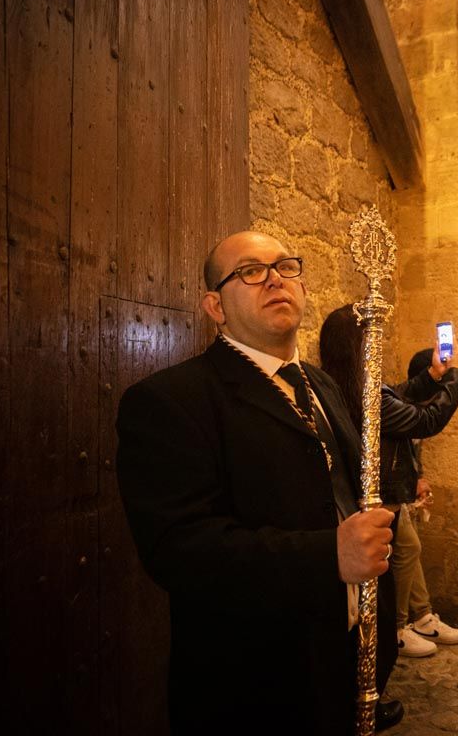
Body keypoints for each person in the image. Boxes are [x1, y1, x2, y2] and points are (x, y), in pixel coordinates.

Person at [116, 231, 402, 734]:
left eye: (286, 266)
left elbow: (336, 489)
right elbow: (178, 550)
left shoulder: (321, 383)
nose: (274, 278)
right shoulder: (170, 401)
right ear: (215, 306)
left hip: (344, 658)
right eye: (250, 271)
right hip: (255, 685)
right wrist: (328, 555)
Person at [319, 308, 458, 660]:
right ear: (358, 346)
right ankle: (395, 632)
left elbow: (398, 394)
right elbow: (425, 419)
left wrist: (433, 375)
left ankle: (414, 619)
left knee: (408, 549)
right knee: (392, 564)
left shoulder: (341, 384)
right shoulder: (363, 395)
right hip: (377, 496)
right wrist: (457, 376)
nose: (381, 343)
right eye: (374, 337)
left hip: (378, 492)